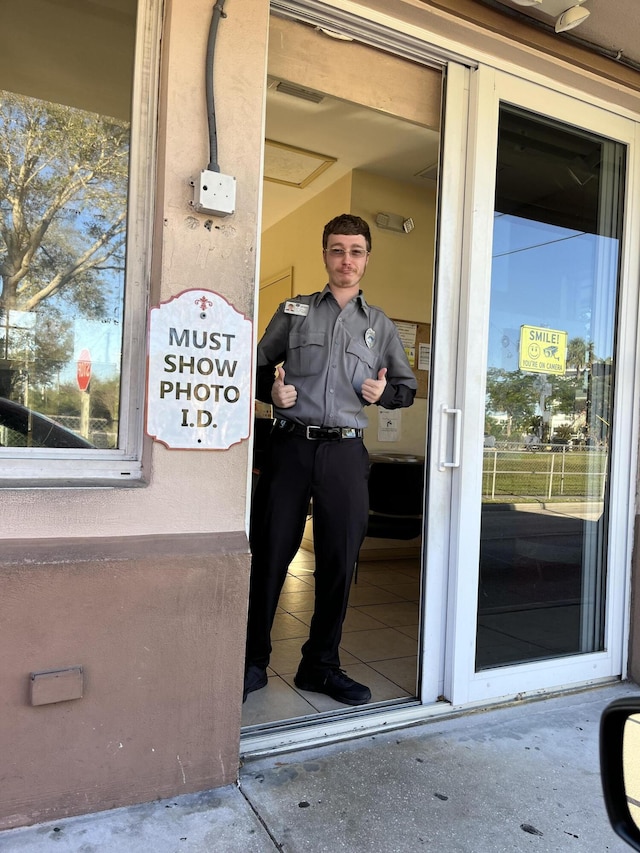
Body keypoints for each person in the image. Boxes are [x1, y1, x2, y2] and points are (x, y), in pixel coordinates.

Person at [244, 213, 417, 706]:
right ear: (325, 254)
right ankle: (251, 662)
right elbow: (256, 367)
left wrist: (384, 394)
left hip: (344, 451)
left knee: (339, 561)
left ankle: (320, 666)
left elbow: (406, 388)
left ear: (366, 258)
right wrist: (270, 392)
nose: (347, 259)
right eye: (337, 249)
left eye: (356, 251)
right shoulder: (294, 311)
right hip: (291, 446)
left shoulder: (379, 324)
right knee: (272, 553)